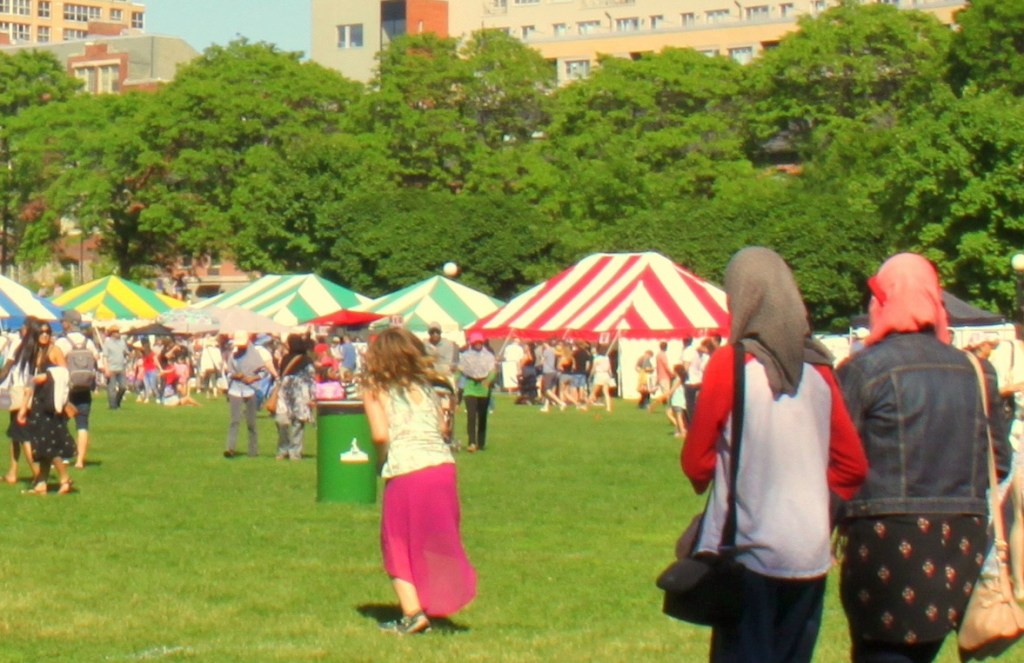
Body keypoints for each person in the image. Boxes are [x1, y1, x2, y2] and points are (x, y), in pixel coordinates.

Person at [682, 247, 867, 663]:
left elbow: (696, 462)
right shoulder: (820, 369)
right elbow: (852, 466)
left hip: (748, 552)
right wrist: (812, 505)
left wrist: (728, 477)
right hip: (810, 553)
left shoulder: (730, 364)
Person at [836, 253, 1010, 663]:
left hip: (884, 543)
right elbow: (998, 462)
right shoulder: (977, 370)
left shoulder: (863, 370)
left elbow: (838, 460)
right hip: (958, 543)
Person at [362, 328, 476, 635]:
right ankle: (433, 600)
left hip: (407, 469)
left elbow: (379, 434)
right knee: (433, 538)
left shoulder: (374, 387)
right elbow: (441, 426)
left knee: (396, 540)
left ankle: (413, 614)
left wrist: (381, 458)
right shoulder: (427, 386)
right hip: (442, 468)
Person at [11, 319, 76, 495]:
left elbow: (65, 375)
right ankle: (41, 484)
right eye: (42, 332)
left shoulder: (54, 351)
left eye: (48, 331)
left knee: (50, 445)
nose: (46, 335)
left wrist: (47, 376)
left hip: (52, 404)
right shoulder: (35, 353)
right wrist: (24, 408)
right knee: (41, 446)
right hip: (39, 403)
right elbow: (30, 383)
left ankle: (64, 479)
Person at [55, 310, 99, 469]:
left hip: (67, 389)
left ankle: (64, 457)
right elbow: (97, 359)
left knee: (61, 422)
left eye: (63, 321)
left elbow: (55, 361)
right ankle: (80, 461)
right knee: (82, 425)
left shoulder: (62, 342)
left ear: (68, 323)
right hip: (85, 388)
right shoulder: (89, 342)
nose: (61, 323)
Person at [223, 331, 266, 458]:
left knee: (251, 422)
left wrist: (253, 378)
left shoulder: (255, 356)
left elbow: (263, 372)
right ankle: (230, 448)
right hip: (235, 390)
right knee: (234, 420)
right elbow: (229, 373)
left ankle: (253, 450)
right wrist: (235, 375)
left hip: (250, 390)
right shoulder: (233, 356)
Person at [274, 334, 316, 461]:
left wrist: (312, 397)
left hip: (299, 395)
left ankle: (294, 452)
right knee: (282, 421)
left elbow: (310, 379)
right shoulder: (286, 358)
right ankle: (284, 449)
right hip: (286, 394)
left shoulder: (306, 360)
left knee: (297, 423)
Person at [456, 332, 496, 453]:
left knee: (482, 416)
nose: (478, 344)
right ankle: (472, 442)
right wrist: (454, 380)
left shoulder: (488, 356)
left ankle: (481, 442)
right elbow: (460, 370)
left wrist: (488, 381)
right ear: (472, 343)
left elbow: (493, 371)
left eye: (480, 342)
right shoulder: (465, 356)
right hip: (470, 386)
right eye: (475, 342)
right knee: (471, 416)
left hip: (483, 387)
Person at [101, 326, 130, 409]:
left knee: (123, 387)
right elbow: (105, 357)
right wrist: (106, 369)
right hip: (111, 368)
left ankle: (117, 402)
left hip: (121, 368)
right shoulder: (107, 343)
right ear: (112, 334)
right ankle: (113, 406)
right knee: (111, 389)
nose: (118, 333)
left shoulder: (122, 342)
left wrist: (128, 354)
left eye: (118, 331)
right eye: (116, 332)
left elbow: (126, 352)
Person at [587, 345, 614, 413]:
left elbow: (593, 369)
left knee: (593, 392)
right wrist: (611, 376)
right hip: (606, 375)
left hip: (599, 375)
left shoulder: (596, 359)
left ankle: (587, 406)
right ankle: (608, 408)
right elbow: (609, 369)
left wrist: (590, 376)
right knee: (606, 392)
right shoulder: (607, 358)